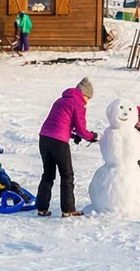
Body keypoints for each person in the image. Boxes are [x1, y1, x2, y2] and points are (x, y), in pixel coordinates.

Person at [36, 77, 97, 217]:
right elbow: (81, 129)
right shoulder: (78, 103)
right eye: (88, 98)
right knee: (67, 175)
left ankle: (41, 208)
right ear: (84, 94)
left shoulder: (60, 100)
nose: (87, 101)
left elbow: (59, 122)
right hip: (58, 141)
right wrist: (91, 136)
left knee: (48, 174)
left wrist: (72, 135)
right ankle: (68, 209)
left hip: (44, 138)